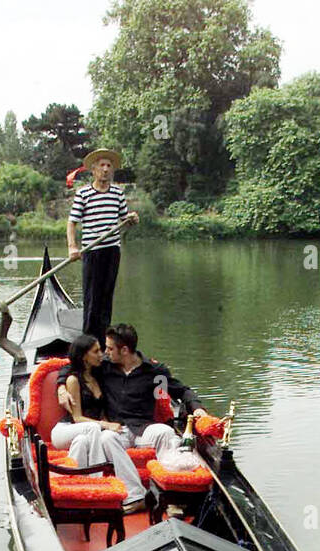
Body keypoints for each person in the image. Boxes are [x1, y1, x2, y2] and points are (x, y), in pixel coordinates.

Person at [50, 333, 148, 512]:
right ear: (84, 356)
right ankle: (98, 484)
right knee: (93, 429)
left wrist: (110, 425)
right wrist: (106, 425)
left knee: (83, 442)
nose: (101, 354)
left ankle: (75, 490)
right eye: (96, 351)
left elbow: (101, 412)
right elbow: (77, 418)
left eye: (102, 350)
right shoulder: (73, 380)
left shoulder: (99, 376)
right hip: (65, 429)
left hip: (85, 433)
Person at [97, 323, 210, 470]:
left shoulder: (154, 372)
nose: (106, 352)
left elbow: (181, 391)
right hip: (117, 431)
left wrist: (197, 409)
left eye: (110, 348)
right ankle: (131, 482)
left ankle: (173, 476)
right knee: (106, 438)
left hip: (143, 430)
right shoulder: (105, 366)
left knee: (165, 432)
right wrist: (61, 386)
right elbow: (75, 365)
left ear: (124, 350)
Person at [67, 149, 138, 344]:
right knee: (92, 299)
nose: (106, 169)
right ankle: (88, 344)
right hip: (92, 251)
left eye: (109, 166)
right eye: (102, 166)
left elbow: (124, 219)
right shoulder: (83, 194)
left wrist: (132, 218)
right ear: (94, 170)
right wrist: (73, 247)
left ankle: (103, 343)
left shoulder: (117, 193)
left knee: (106, 298)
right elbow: (72, 222)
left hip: (112, 251)